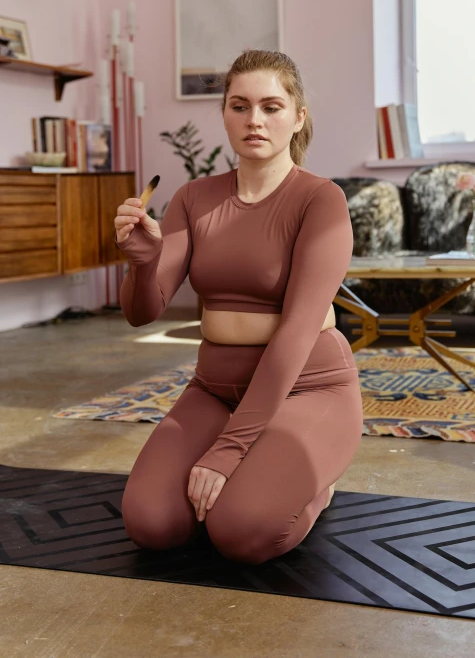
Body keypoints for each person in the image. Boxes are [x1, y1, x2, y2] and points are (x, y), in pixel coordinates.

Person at [114, 49, 363, 565]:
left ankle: (318, 485)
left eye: (272, 107)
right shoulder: (193, 197)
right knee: (150, 523)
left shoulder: (322, 200)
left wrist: (227, 452)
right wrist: (141, 262)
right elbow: (143, 313)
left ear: (298, 118)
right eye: (239, 105)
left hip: (306, 387)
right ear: (224, 114)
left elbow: (296, 332)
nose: (254, 120)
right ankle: (265, 468)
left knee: (240, 531)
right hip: (214, 388)